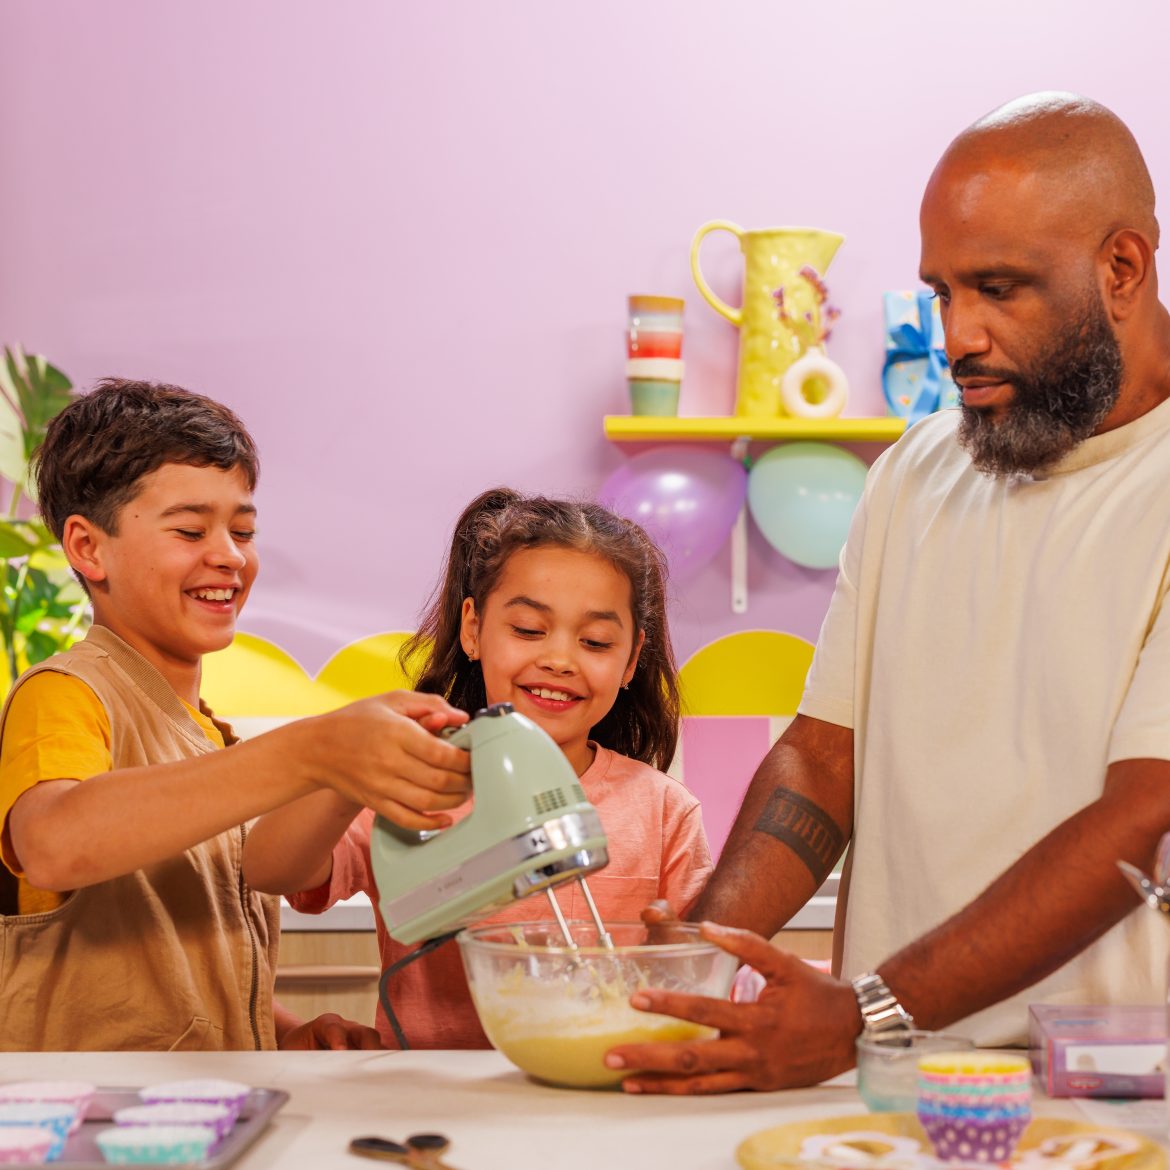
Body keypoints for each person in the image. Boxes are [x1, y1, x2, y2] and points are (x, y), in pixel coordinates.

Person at [603, 91, 1170, 1094]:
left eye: (1000, 288)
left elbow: (1145, 814)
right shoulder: (917, 472)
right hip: (891, 1076)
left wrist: (867, 1006)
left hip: (1110, 1094)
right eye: (944, 293)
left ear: (1121, 267)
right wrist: (699, 946)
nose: (960, 338)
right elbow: (826, 758)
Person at [0, 378, 471, 1052]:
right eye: (191, 529)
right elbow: (54, 843)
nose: (229, 555)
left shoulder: (209, 737)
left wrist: (282, 1032)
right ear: (87, 547)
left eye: (242, 530)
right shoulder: (68, 692)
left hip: (200, 1114)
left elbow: (174, 973)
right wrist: (313, 751)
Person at [243, 487, 713, 1048]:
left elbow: (698, 972)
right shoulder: (415, 783)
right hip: (435, 1106)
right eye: (528, 630)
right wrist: (346, 766)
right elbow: (271, 870)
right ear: (473, 629)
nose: (559, 659)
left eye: (594, 641)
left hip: (603, 1099)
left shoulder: (664, 811)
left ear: (631, 658)